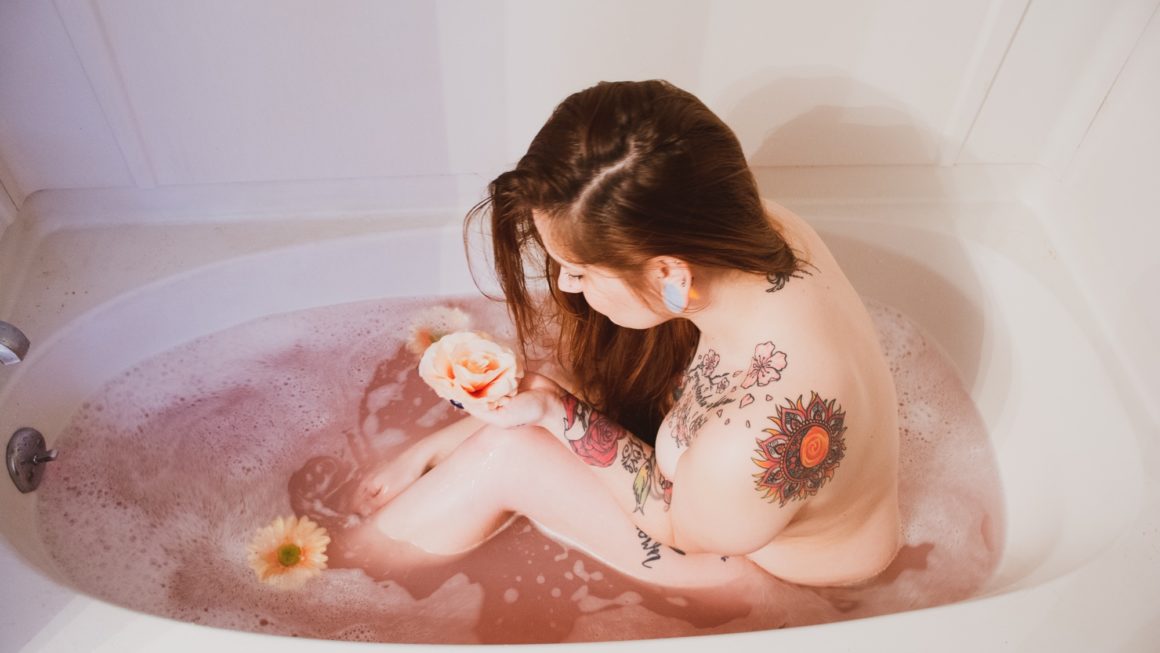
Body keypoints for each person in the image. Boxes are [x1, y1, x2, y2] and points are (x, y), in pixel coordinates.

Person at [352, 79, 900, 588]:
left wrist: (556, 411)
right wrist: (547, 402)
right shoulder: (762, 232)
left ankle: (354, 574)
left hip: (775, 579)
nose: (564, 281)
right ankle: (422, 482)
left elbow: (677, 524)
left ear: (670, 275)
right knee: (579, 379)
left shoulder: (755, 438)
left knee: (509, 455)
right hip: (743, 509)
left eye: (581, 271)